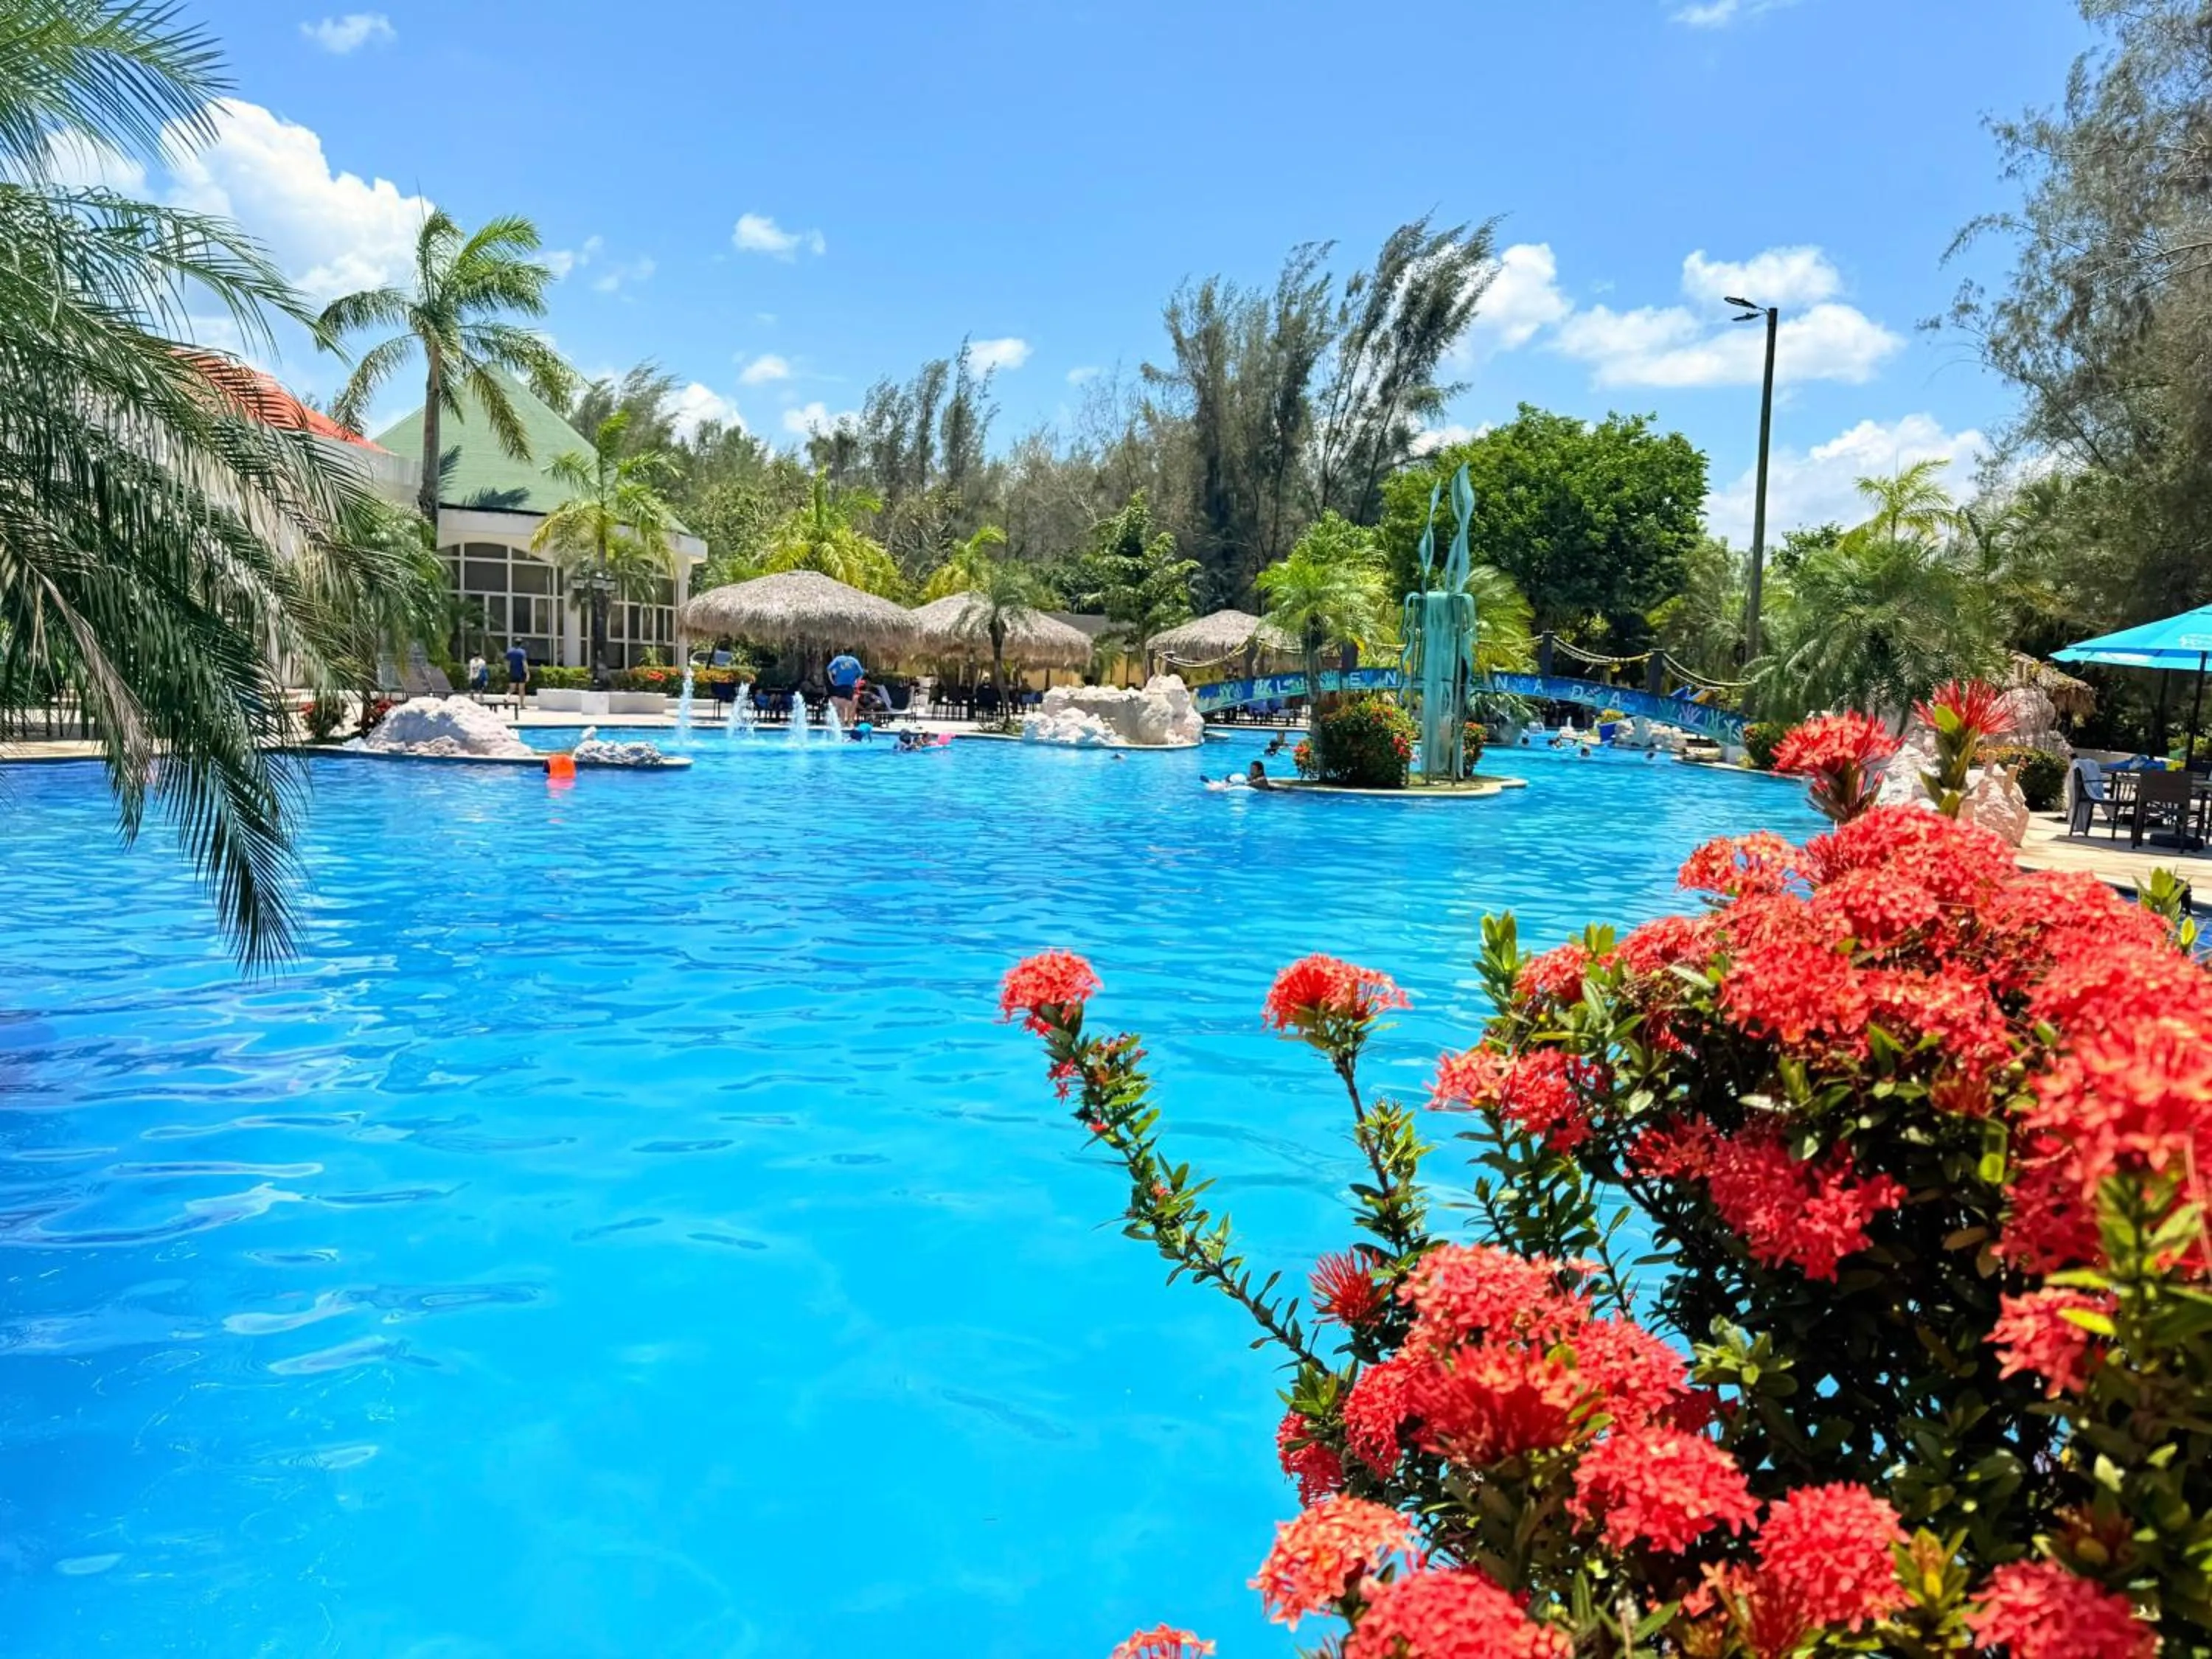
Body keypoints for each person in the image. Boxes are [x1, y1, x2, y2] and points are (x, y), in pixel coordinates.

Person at [504, 642, 529, 711]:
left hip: (513, 672)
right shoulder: (522, 652)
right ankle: (522, 705)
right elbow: (524, 663)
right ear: (521, 644)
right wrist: (527, 672)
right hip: (521, 673)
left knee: (511, 688)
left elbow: (507, 662)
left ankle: (506, 698)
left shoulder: (510, 651)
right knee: (521, 689)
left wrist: (508, 670)